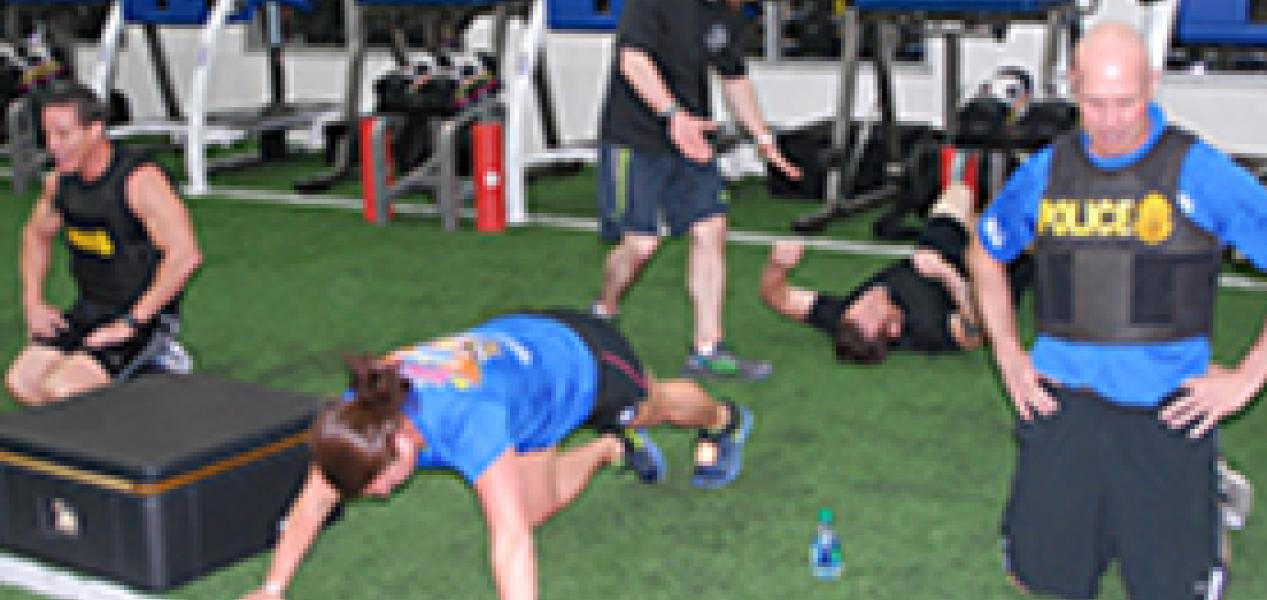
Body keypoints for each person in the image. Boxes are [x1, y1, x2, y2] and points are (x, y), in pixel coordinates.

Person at [968, 22, 1267, 600]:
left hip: (1166, 417)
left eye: (1127, 102)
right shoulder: (1047, 172)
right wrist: (1009, 356)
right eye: (1095, 103)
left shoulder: (1199, 172)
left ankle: (1208, 501)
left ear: (1155, 85)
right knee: (1043, 578)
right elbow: (986, 254)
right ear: (1072, 87)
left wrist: (1247, 379)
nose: (1112, 121)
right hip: (1063, 412)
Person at [240, 309, 754, 600]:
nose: (378, 494)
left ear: (401, 443)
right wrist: (273, 587)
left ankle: (725, 419)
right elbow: (313, 499)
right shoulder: (360, 419)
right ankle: (612, 449)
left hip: (581, 361)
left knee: (654, 405)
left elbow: (510, 541)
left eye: (379, 482)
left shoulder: (468, 424)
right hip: (524, 397)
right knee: (537, 506)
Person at [593, 0, 802, 379]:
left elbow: (733, 77)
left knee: (710, 229)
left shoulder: (730, 13)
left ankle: (706, 349)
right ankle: (605, 310)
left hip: (693, 137)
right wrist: (673, 115)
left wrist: (763, 137)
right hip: (635, 135)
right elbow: (633, 60)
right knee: (641, 246)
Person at [5, 81, 201, 406]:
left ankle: (159, 363)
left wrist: (132, 322)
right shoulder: (60, 183)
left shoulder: (140, 181)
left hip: (144, 320)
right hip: (90, 311)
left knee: (62, 391)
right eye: (48, 135)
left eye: (64, 135)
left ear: (95, 131)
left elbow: (185, 255)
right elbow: (35, 235)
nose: (54, 146)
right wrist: (33, 302)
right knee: (22, 383)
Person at [760, 183, 1027, 363]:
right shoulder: (927, 328)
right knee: (1022, 209)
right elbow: (976, 332)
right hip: (993, 270)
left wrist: (777, 267)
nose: (864, 302)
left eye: (855, 309)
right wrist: (947, 275)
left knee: (958, 190)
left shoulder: (843, 317)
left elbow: (778, 298)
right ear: (894, 328)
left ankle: (985, 215)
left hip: (943, 241)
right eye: (870, 313)